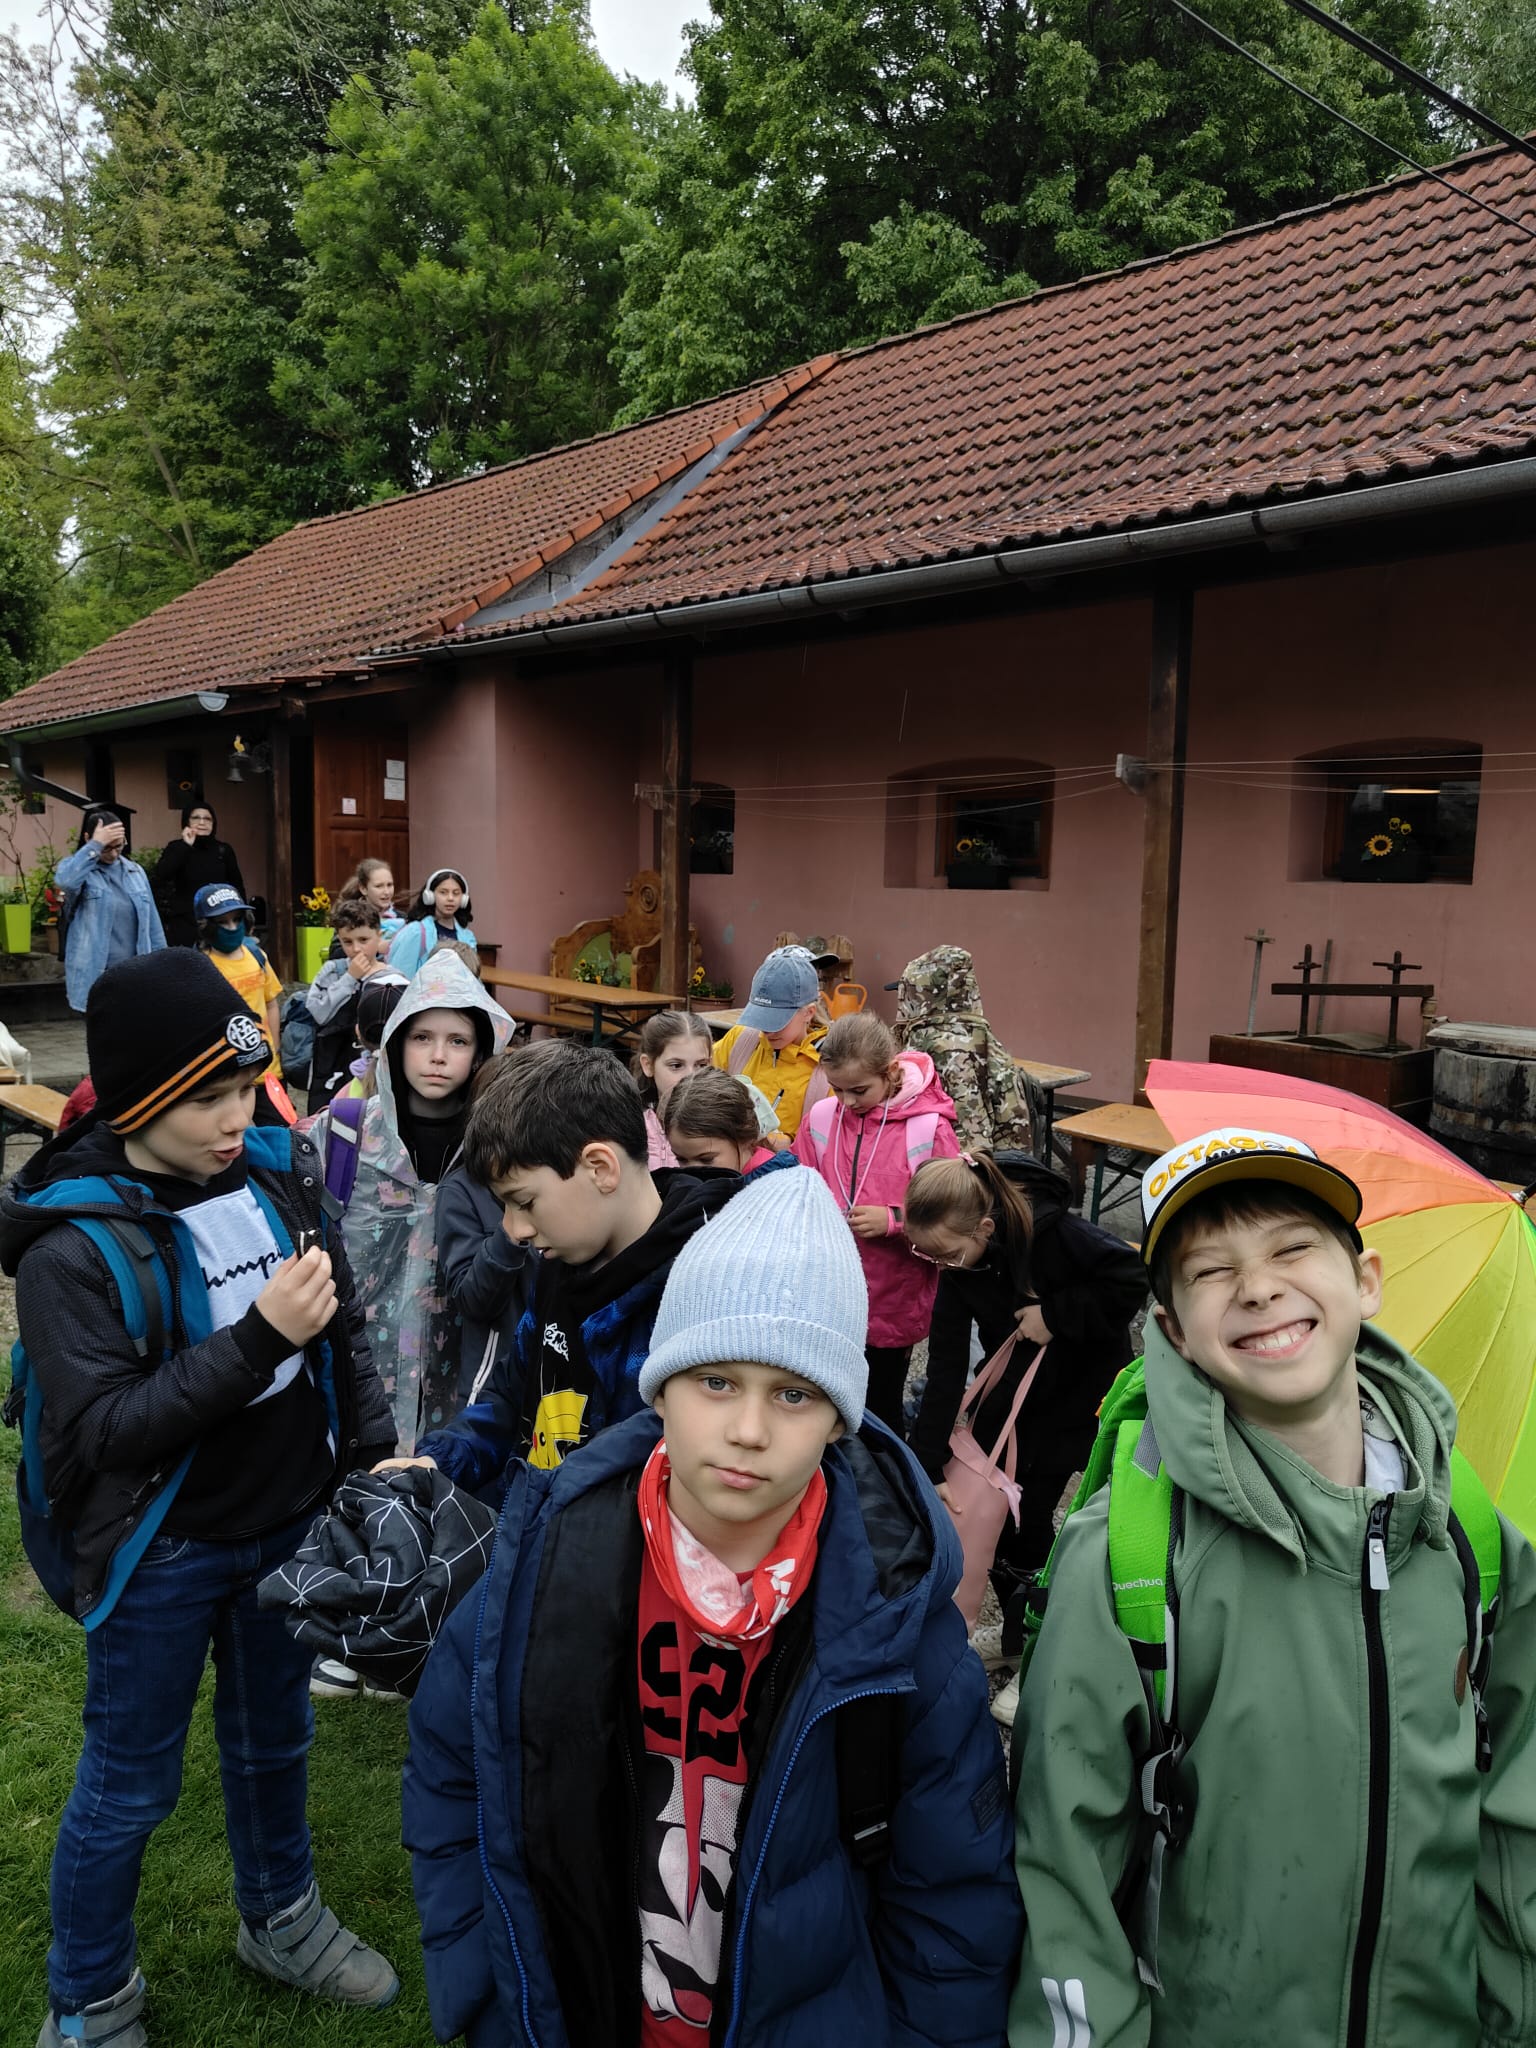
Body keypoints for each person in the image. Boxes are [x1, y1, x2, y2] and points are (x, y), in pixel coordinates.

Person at [402, 1166, 1024, 2048]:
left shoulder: (901, 1629)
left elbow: (953, 1899)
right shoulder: (546, 1564)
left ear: (841, 1419)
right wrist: (484, 1988)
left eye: (794, 1394)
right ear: (660, 1387)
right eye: (716, 1382)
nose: (749, 1431)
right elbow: (449, 1765)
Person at [1008, 1129, 1536, 2047]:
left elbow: (1517, 1797)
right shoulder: (1132, 1557)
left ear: (1365, 1281)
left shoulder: (1466, 1532)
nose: (1258, 1286)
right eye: (1211, 1270)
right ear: (1172, 1329)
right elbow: (1066, 1870)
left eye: (1292, 1248)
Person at [0, 950, 399, 2047]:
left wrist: (370, 1451)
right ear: (136, 1101)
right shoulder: (72, 1249)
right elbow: (105, 1429)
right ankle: (91, 1996)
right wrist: (258, 1338)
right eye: (207, 1098)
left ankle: (282, 1919)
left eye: (246, 1087)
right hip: (160, 1550)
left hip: (286, 1523)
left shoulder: (275, 1175)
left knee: (277, 1739)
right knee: (129, 1783)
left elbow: (341, 1325)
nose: (238, 1118)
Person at [401, 1040, 738, 1499]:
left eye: (524, 1202)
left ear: (600, 1168)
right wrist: (439, 1462)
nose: (517, 1230)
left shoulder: (704, 1298)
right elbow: (509, 1397)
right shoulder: (560, 1263)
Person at [902, 1148, 1148, 1717]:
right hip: (1013, 1396)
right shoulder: (959, 1262)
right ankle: (1018, 1636)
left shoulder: (1056, 1234)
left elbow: (1131, 1277)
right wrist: (927, 1462)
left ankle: (1041, 1653)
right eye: (925, 1254)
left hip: (1079, 1397)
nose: (937, 1265)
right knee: (996, 1519)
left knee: (1034, 1521)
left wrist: (1055, 1316)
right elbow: (945, 1365)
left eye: (944, 1253)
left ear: (985, 1229)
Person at [314, 949, 513, 1455]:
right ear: (396, 1042)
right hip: (355, 1393)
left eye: (458, 1041)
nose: (438, 1056)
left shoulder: (501, 1149)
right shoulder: (344, 1134)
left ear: (480, 1052)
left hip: (461, 1397)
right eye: (422, 1037)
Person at [793, 1011, 961, 1433]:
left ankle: (883, 1469)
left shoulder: (927, 1127)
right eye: (837, 1088)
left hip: (893, 1298)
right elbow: (800, 1183)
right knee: (825, 1397)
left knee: (880, 1403)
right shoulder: (822, 1117)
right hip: (828, 1291)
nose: (848, 1101)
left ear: (890, 1073)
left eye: (859, 1089)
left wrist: (894, 1219)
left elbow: (953, 1209)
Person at [893, 944, 1038, 1157]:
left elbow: (970, 1139)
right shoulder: (975, 1036)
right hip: (1000, 1163)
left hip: (953, 1170)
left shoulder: (944, 1048)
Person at [711, 944, 829, 1140]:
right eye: (761, 1017)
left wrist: (789, 1144)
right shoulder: (741, 1039)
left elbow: (830, 1141)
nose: (768, 1031)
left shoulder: (828, 1066)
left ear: (809, 1013)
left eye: (777, 1020)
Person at [54, 808, 164, 1013]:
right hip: (96, 974)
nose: (113, 854)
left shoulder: (135, 872)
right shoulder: (81, 871)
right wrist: (95, 846)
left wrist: (163, 963)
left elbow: (153, 924)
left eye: (119, 846)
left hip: (136, 974)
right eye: (107, 848)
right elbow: (65, 881)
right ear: (87, 838)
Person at [304, 898, 406, 1113]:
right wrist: (349, 978)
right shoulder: (333, 971)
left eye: (363, 939)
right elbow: (318, 1013)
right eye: (347, 942)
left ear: (378, 935)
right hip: (332, 1062)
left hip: (372, 1066)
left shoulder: (393, 978)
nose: (356, 948)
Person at [194, 883, 283, 1082]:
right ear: (206, 927)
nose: (232, 928)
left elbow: (271, 1003)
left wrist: (275, 1047)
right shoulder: (201, 966)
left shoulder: (257, 956)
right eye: (222, 922)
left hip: (267, 1070)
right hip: (230, 1077)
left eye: (236, 919)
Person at [663, 1068, 794, 1180]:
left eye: (706, 1159)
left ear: (746, 1138)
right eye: (681, 1159)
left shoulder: (776, 1187)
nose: (692, 1173)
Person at [151, 802, 246, 949]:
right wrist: (185, 846)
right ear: (186, 822)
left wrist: (243, 919)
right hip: (185, 923)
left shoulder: (223, 850)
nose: (202, 822)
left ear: (213, 823)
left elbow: (237, 885)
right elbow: (161, 875)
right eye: (196, 818)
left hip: (217, 922)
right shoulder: (176, 847)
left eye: (207, 818)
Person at [632, 1009, 715, 1166]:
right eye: (676, 1065)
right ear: (648, 1065)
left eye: (701, 1065)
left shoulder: (723, 1122)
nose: (690, 1077)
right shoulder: (630, 1125)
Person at [387, 867, 475, 978]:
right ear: (430, 896)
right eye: (443, 892)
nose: (450, 898)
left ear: (463, 899)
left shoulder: (467, 937)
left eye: (456, 893)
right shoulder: (416, 932)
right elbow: (400, 976)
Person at [334, 857, 404, 939]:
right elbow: (337, 946)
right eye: (379, 886)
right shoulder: (349, 918)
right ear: (363, 889)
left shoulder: (402, 918)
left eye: (389, 885)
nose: (387, 892)